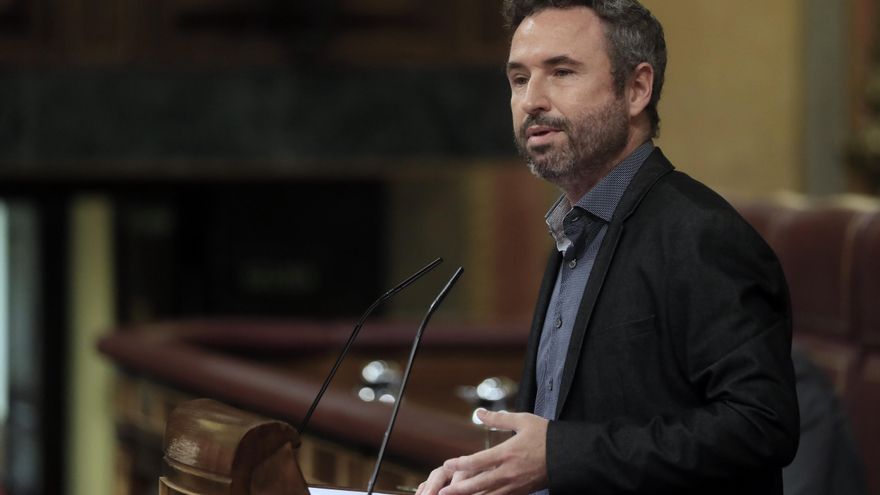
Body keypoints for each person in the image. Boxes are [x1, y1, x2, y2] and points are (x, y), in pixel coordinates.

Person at [416, 1, 800, 494]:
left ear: (637, 88)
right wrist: (491, 473)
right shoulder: (573, 231)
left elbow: (760, 427)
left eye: (561, 72)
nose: (532, 99)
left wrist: (559, 454)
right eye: (518, 79)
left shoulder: (702, 235)